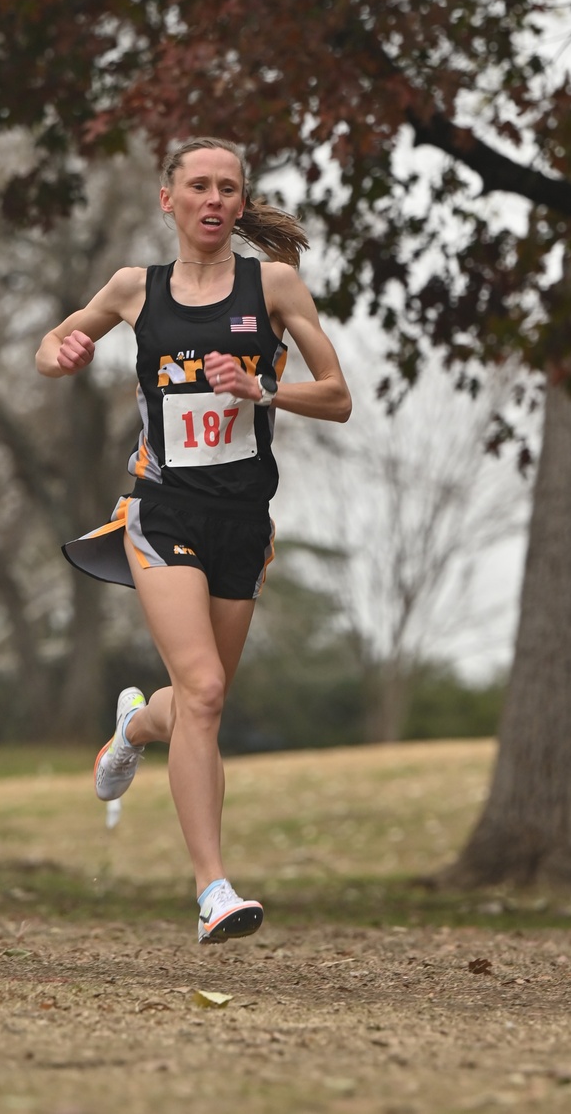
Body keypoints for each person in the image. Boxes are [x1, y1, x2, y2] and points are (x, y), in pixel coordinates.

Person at [35, 136, 351, 944]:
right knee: (205, 689)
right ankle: (213, 890)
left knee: (197, 704)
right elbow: (55, 343)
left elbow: (338, 395)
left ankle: (135, 724)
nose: (214, 200)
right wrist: (62, 351)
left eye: (228, 188)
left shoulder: (273, 285)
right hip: (162, 509)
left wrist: (262, 386)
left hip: (243, 521)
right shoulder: (133, 289)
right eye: (199, 185)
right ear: (167, 198)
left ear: (241, 205)